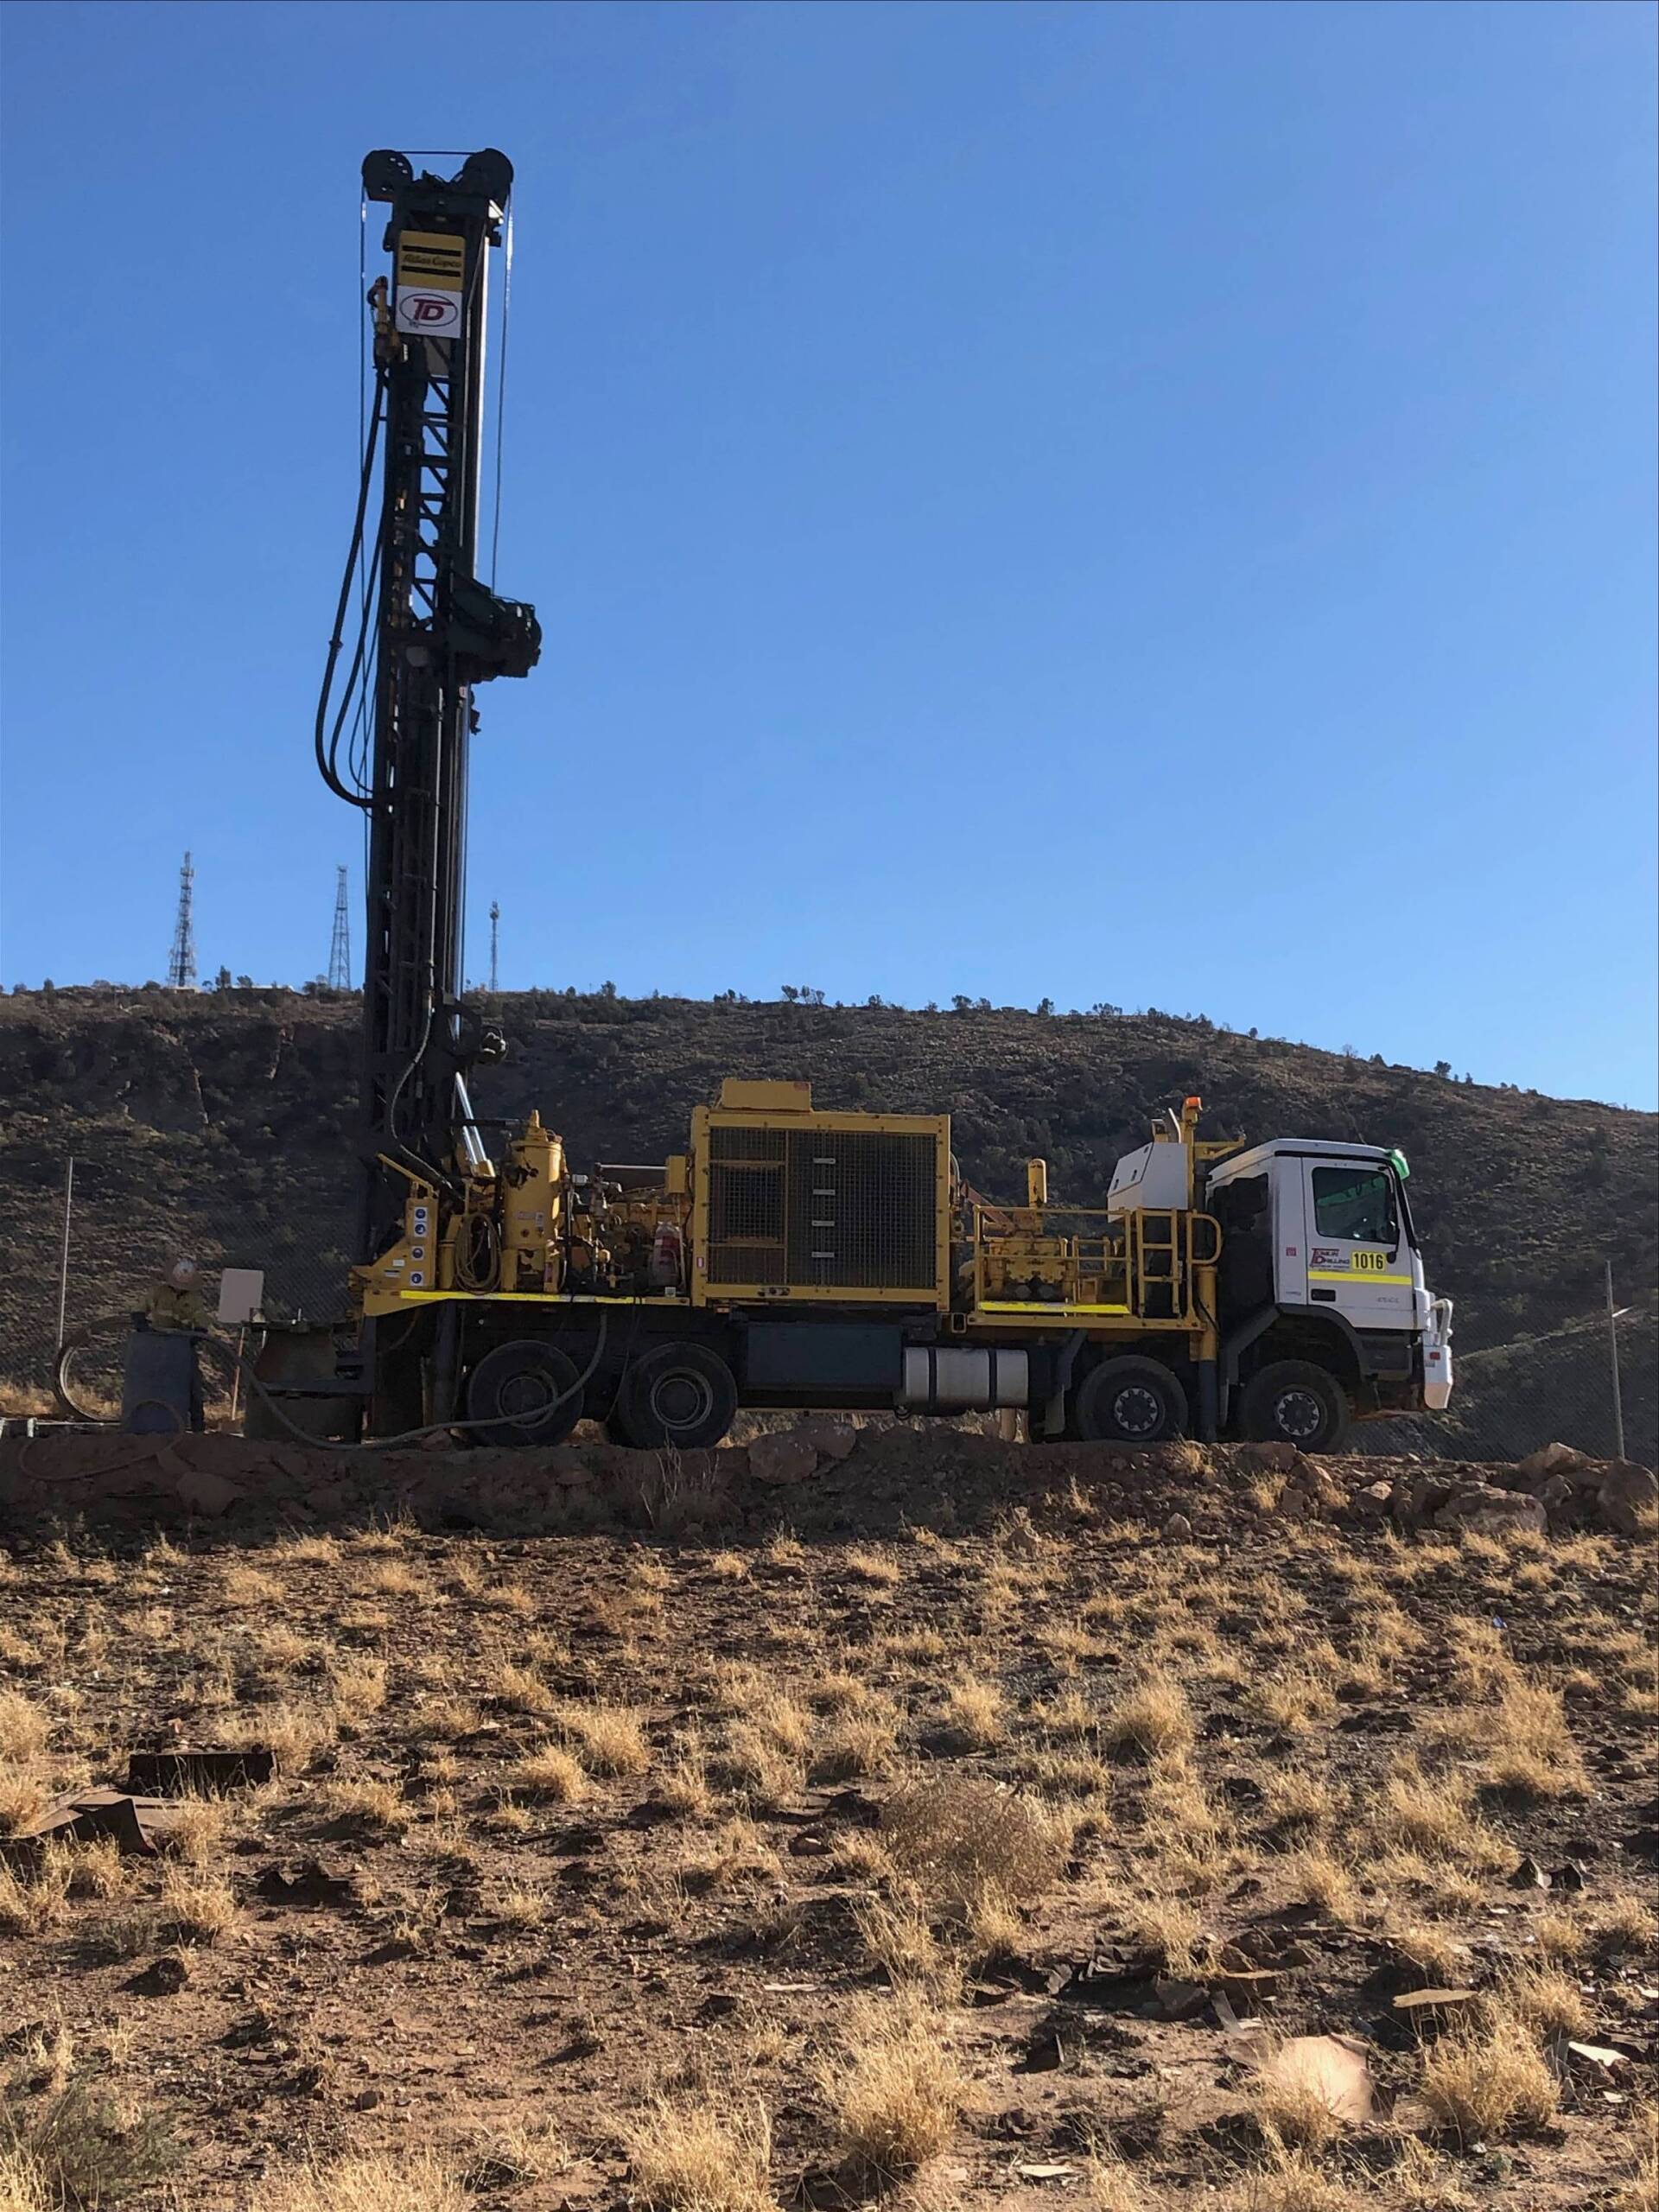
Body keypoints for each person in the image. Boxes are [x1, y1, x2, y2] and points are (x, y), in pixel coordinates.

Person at [144, 1258, 210, 1431]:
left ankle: (198, 1426)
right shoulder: (158, 1293)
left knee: (193, 1386)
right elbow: (138, 1311)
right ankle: (149, 1423)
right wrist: (143, 1328)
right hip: (157, 1345)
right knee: (152, 1384)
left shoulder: (194, 1301)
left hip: (183, 1347)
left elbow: (202, 1325)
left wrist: (192, 1340)